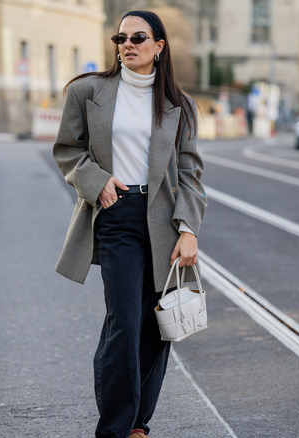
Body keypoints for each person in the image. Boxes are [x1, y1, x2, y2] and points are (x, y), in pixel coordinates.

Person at [52, 10, 206, 438]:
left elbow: (191, 173)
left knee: (156, 328)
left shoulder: (180, 104)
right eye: (120, 37)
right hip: (115, 215)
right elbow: (68, 150)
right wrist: (96, 181)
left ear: (159, 46)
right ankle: (116, 429)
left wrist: (189, 230)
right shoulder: (88, 92)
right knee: (123, 323)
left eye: (138, 37)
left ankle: (138, 424)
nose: (127, 44)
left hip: (163, 221)